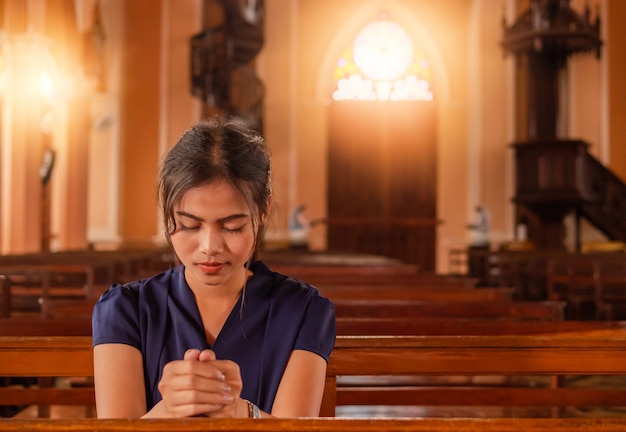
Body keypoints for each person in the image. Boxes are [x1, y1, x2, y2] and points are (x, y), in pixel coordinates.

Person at [91, 116, 336, 419]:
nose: (209, 247)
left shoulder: (303, 310)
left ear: (263, 211)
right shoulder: (125, 309)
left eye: (232, 226)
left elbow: (294, 430)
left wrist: (237, 410)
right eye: (190, 225)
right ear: (167, 210)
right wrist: (170, 409)